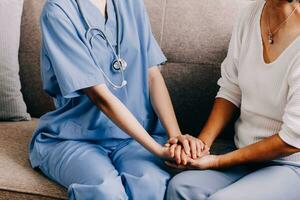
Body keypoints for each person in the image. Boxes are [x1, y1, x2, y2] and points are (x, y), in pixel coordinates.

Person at [28, 0, 203, 199]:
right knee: (105, 191)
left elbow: (152, 75)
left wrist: (175, 136)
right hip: (75, 137)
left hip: (132, 138)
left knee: (150, 185)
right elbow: (99, 96)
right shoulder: (57, 11)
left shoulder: (131, 4)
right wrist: (157, 150)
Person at [166, 0, 300, 199]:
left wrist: (218, 161)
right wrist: (201, 147)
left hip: (290, 164)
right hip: (242, 153)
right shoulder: (249, 15)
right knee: (181, 187)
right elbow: (231, 89)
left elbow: (292, 140)